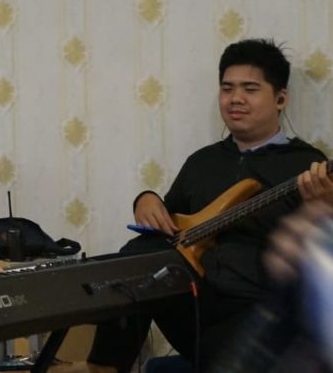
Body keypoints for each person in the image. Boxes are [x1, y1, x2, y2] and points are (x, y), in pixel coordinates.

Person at [64, 39, 333, 373]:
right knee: (139, 255)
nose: (236, 99)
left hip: (256, 313)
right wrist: (146, 199)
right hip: (195, 306)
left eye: (250, 89)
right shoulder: (201, 162)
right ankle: (103, 365)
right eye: (227, 88)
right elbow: (169, 229)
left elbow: (320, 267)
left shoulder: (307, 164)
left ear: (280, 98)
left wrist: (326, 210)